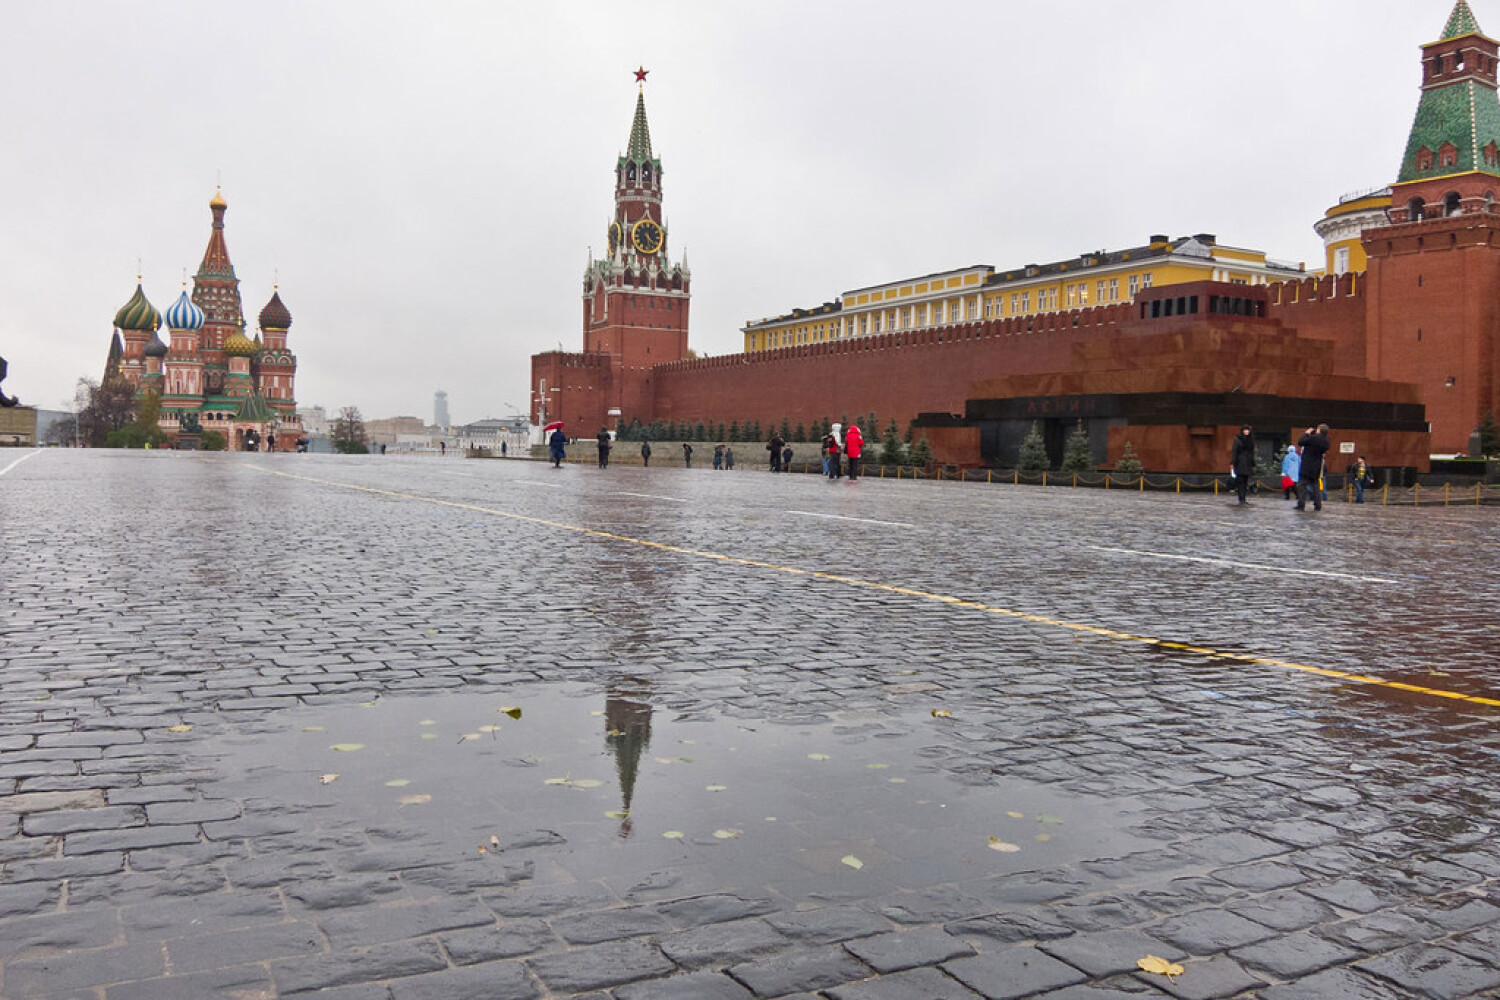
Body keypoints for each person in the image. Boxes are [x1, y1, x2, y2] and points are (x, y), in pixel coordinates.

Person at [1295, 423, 1330, 511]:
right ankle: (1318, 505)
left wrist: (1307, 433)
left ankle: (1301, 504)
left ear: (1319, 430)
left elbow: (1300, 442)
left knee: (1301, 485)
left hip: (1307, 465)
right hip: (1317, 466)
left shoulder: (1313, 438)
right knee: (1315, 486)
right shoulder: (1326, 441)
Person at [1230, 425, 1256, 506]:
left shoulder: (1251, 440)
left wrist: (1253, 464)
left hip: (1247, 464)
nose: (1246, 432)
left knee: (1245, 482)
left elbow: (1252, 453)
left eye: (1247, 430)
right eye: (1245, 430)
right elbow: (1235, 452)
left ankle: (1243, 499)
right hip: (1240, 463)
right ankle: (1241, 499)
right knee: (1240, 482)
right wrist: (1233, 463)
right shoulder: (1238, 439)